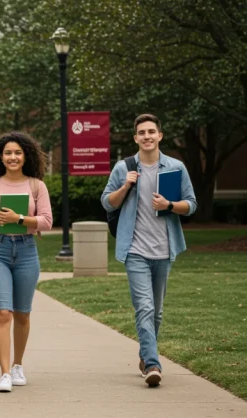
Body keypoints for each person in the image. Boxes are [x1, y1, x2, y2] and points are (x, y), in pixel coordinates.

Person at [101, 114, 197, 387]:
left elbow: (191, 204)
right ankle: (153, 364)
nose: (147, 136)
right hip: (135, 250)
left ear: (160, 135)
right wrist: (126, 185)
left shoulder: (175, 167)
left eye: (151, 131)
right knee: (143, 307)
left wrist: (169, 205)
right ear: (135, 138)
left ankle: (145, 355)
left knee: (156, 312)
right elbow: (107, 203)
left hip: (165, 250)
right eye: (141, 132)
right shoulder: (124, 167)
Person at [0, 132, 53, 392]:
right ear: (1, 157)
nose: (13, 157)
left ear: (26, 155)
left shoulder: (36, 186)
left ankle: (18, 365)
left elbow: (47, 222)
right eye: (8, 153)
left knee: (23, 314)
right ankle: (5, 373)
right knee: (3, 312)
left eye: (17, 152)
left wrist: (19, 219)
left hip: (27, 251)